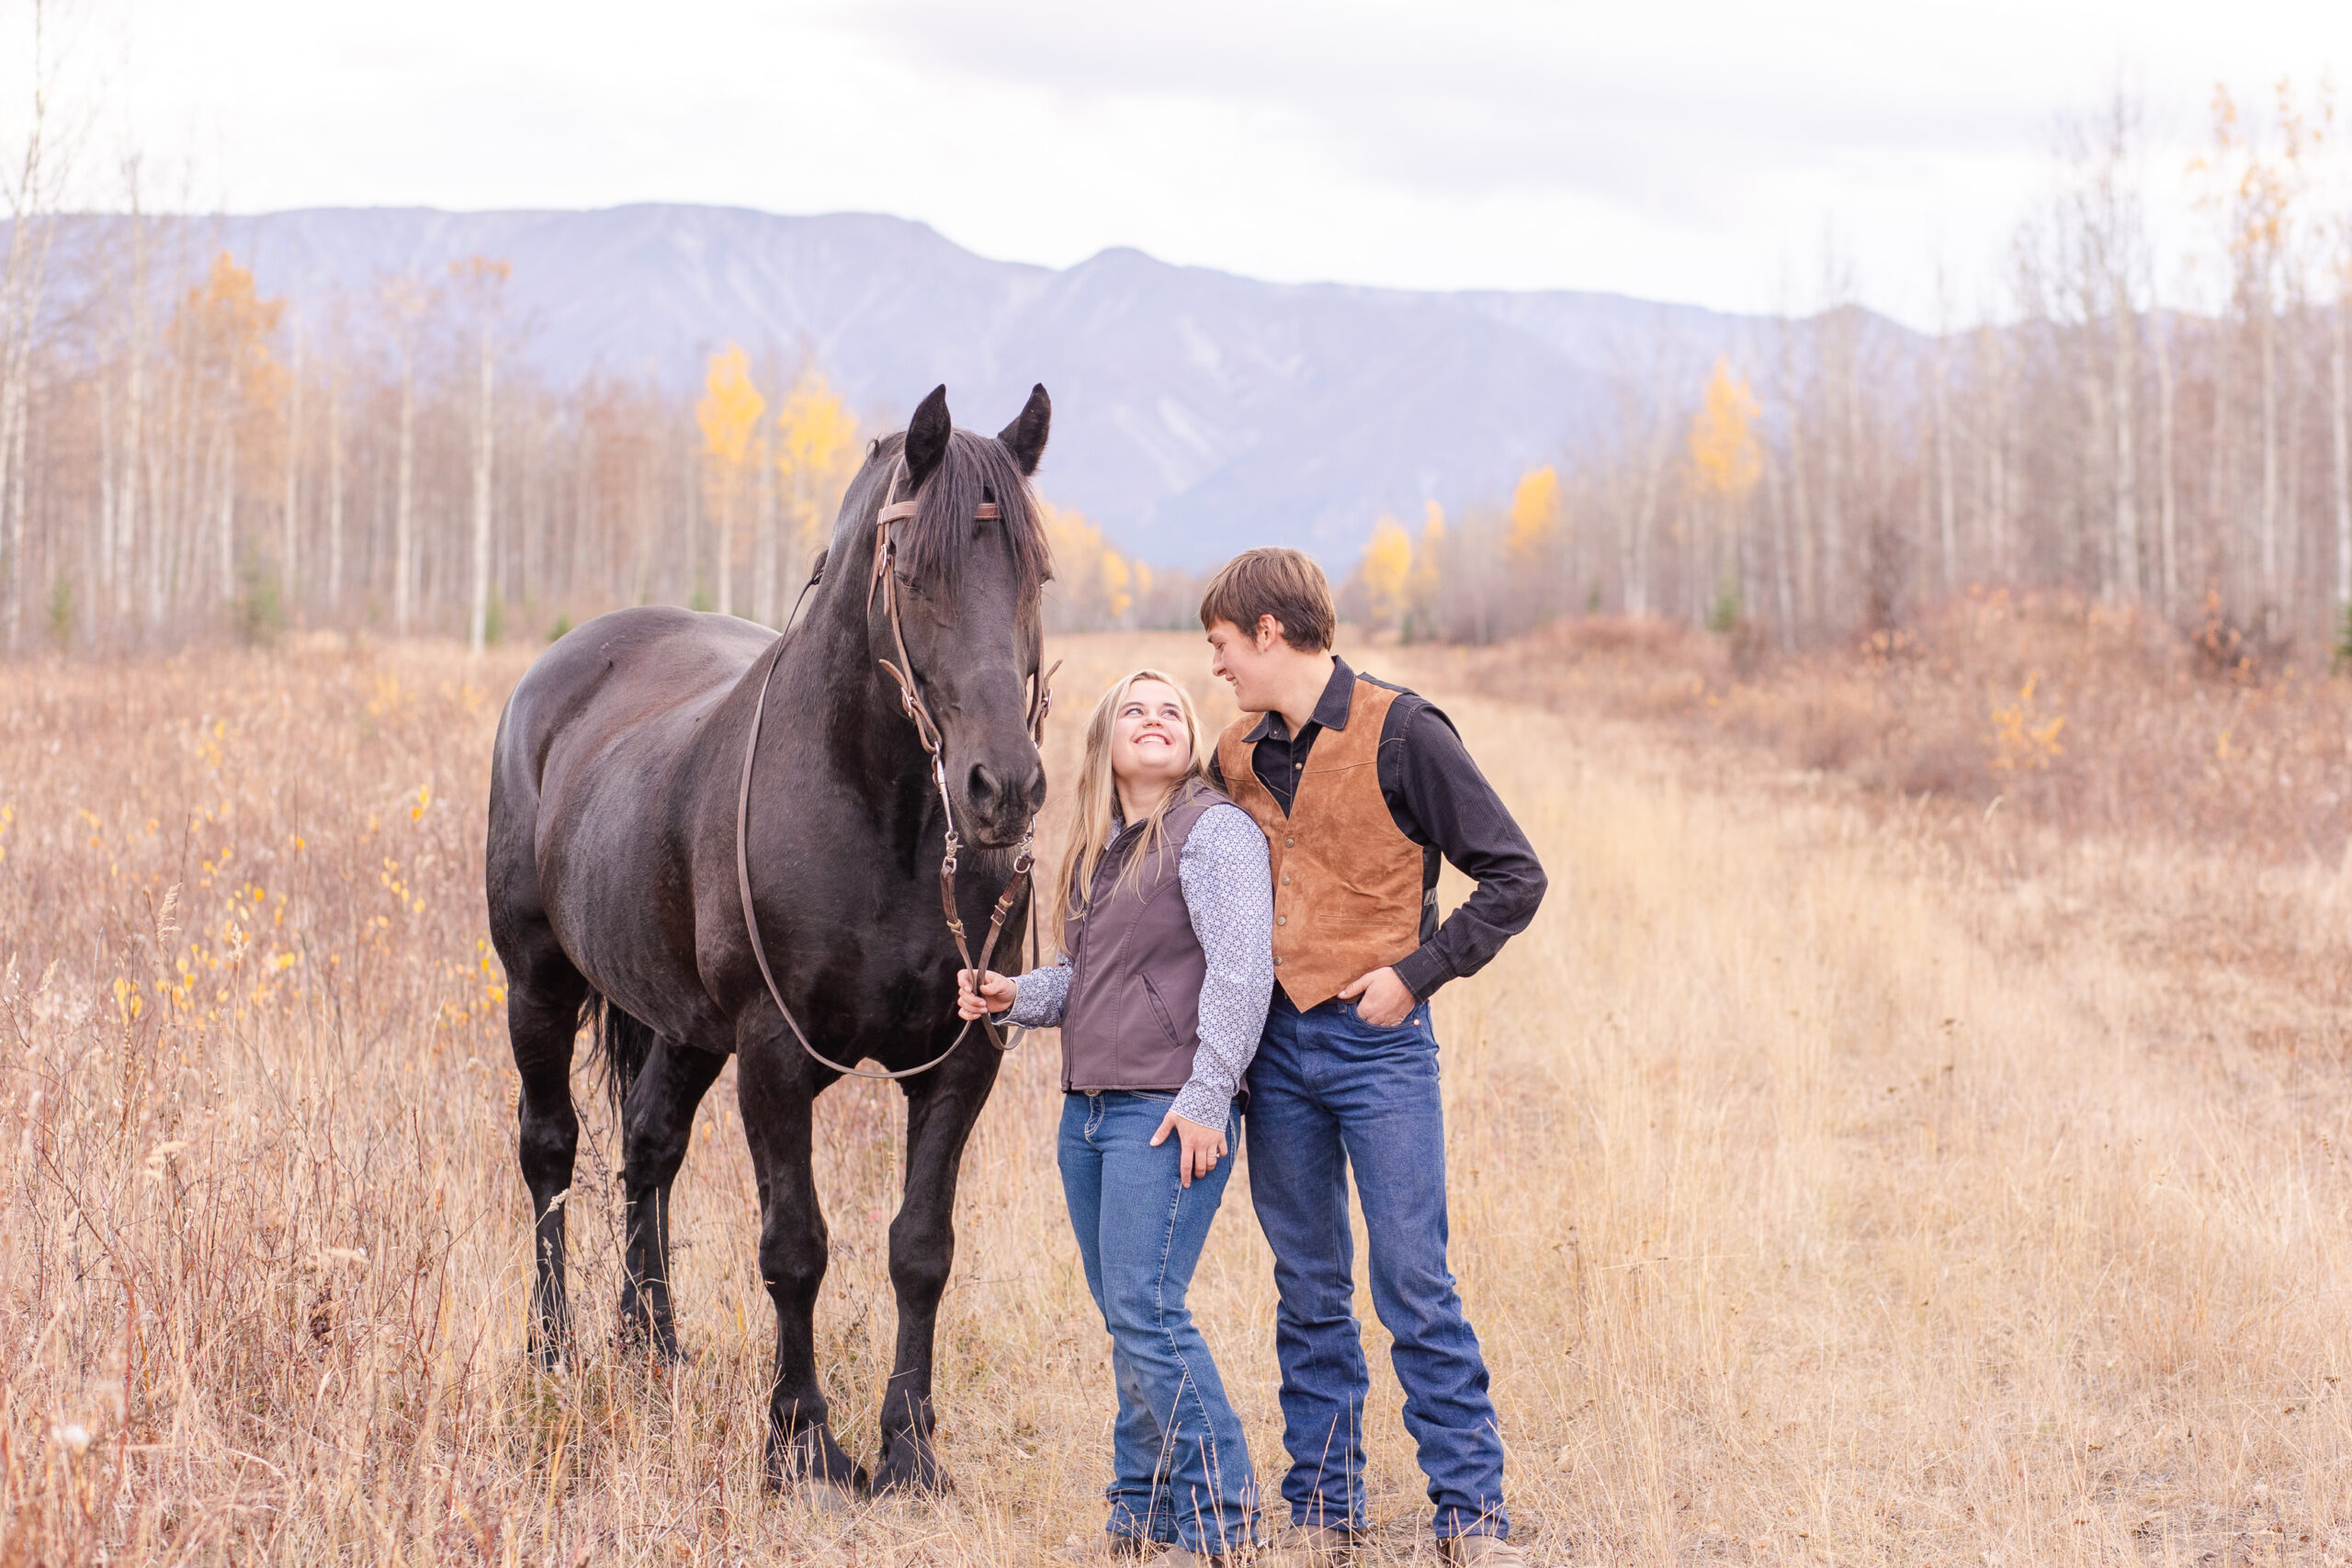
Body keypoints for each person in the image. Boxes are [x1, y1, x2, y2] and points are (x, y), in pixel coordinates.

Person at [1198, 548, 1547, 1567]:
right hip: (1274, 1052)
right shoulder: (1233, 754)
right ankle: (1323, 1509)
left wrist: (1418, 973)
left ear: (1268, 632)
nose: (1215, 666)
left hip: (1378, 1048)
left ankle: (1471, 1515)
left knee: (1411, 1279)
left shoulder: (1406, 731)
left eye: (1221, 645)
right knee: (1307, 1285)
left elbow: (1513, 876)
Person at [959, 669, 1272, 1565]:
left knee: (1149, 1313)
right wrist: (1014, 994)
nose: (1152, 720)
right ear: (1105, 742)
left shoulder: (1213, 832)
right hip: (1088, 1113)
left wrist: (1209, 1093)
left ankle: (1219, 1527)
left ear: (1189, 738)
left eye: (1170, 709)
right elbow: (1082, 982)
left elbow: (1243, 974)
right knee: (1127, 1321)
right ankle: (1140, 1515)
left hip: (1165, 1112)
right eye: (1132, 709)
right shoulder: (1099, 849)